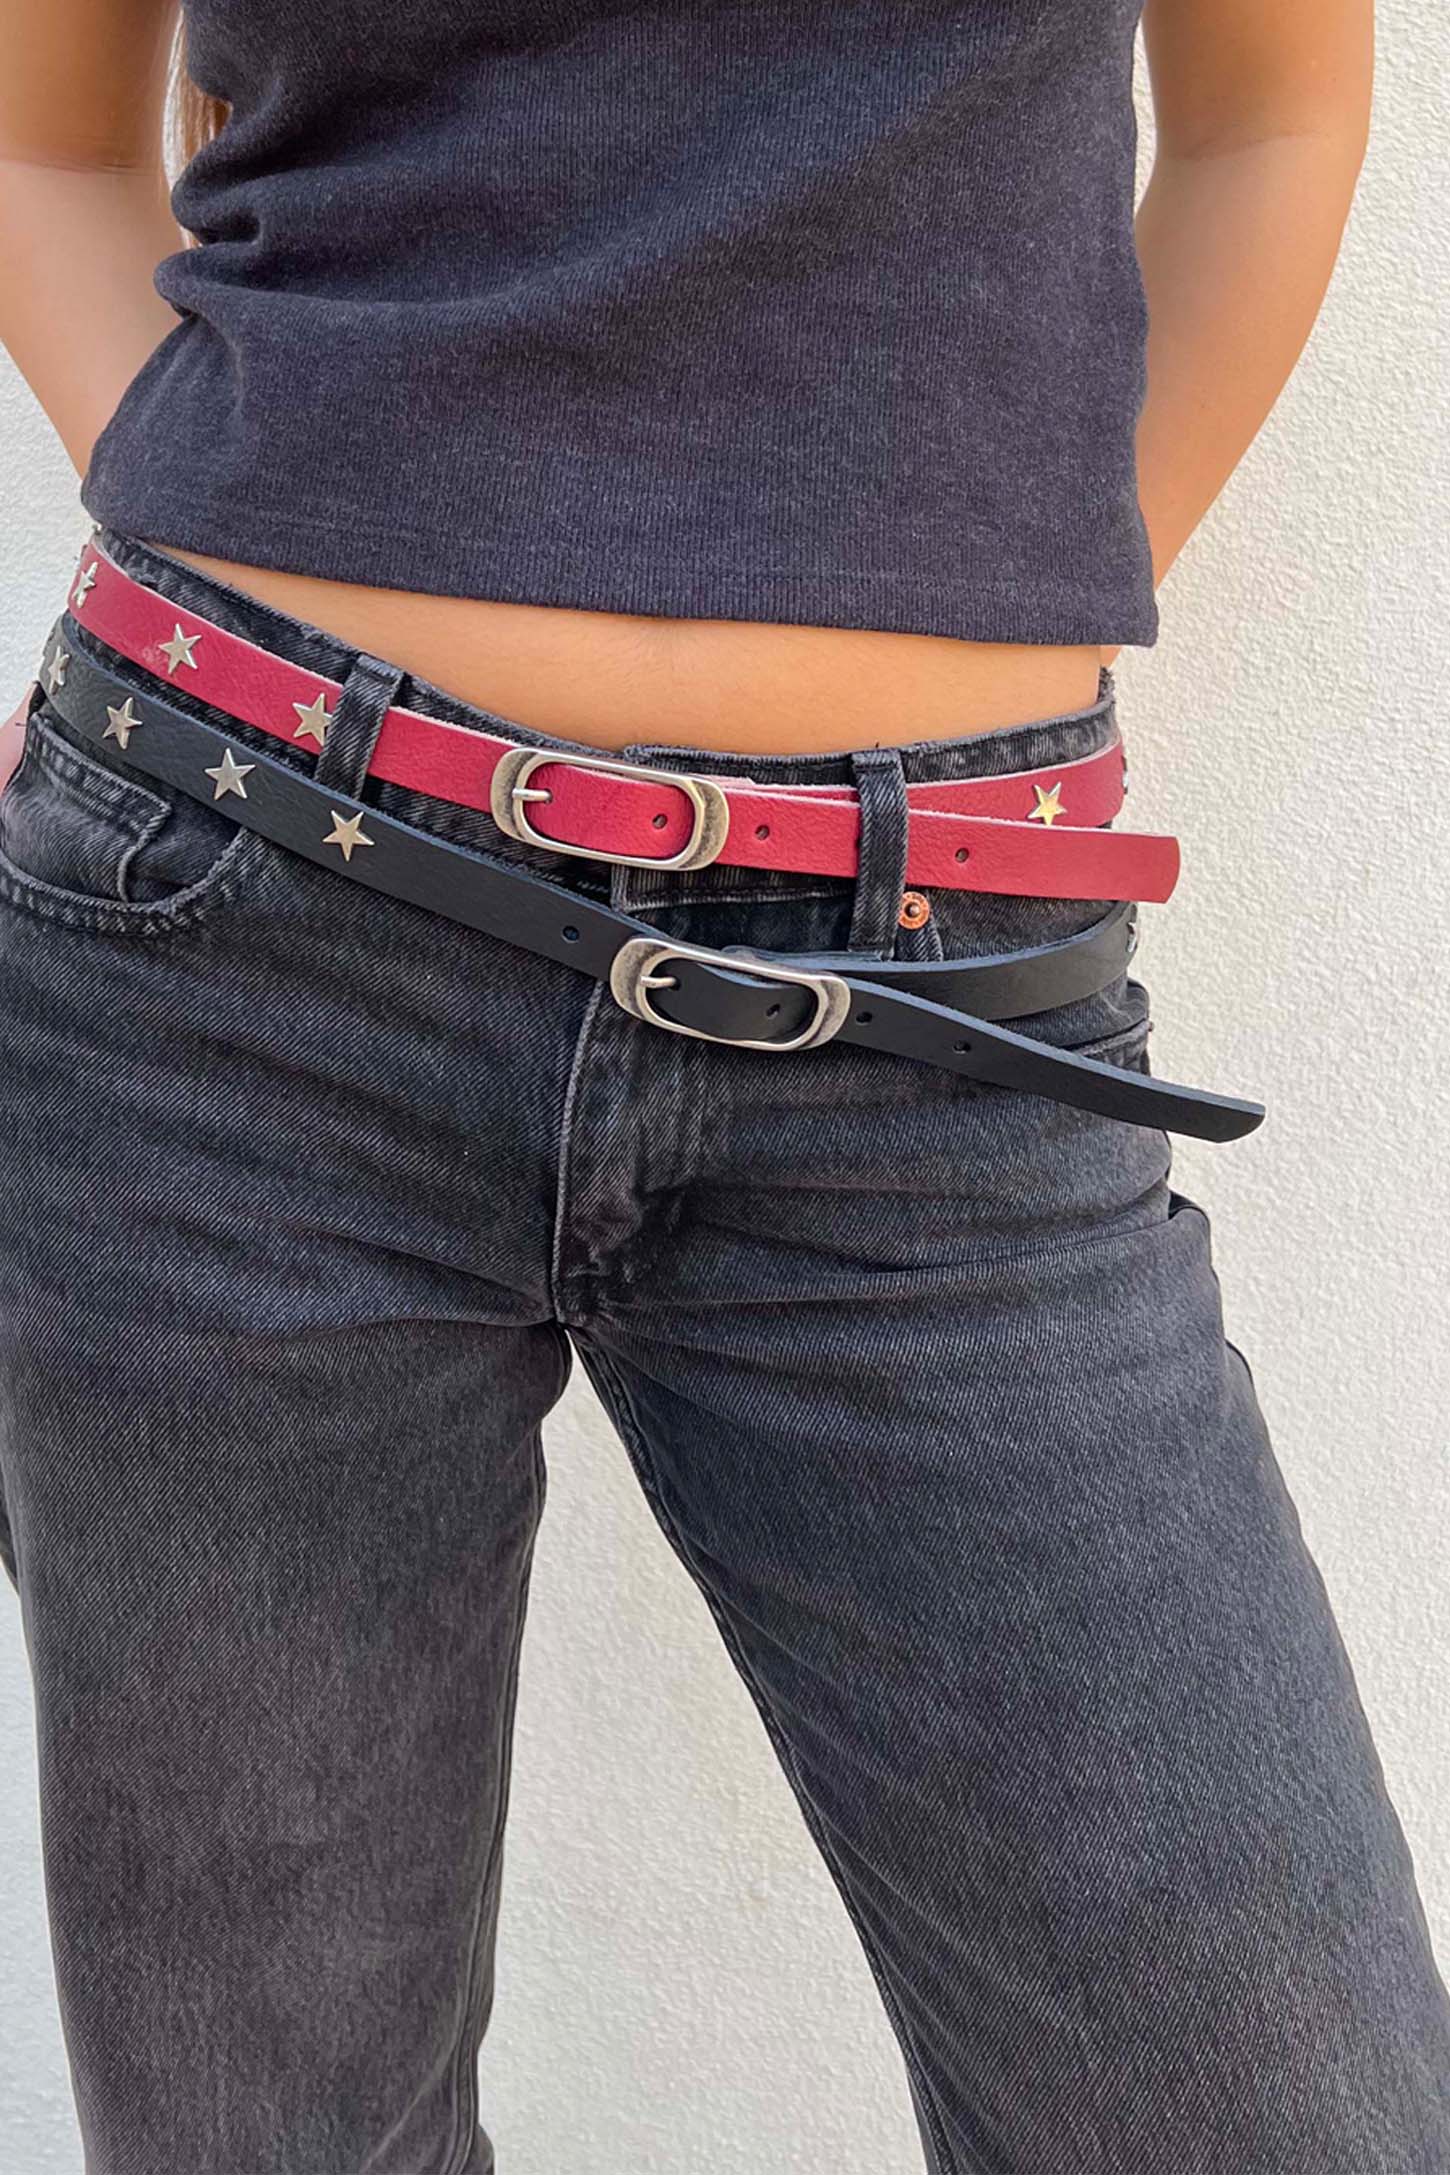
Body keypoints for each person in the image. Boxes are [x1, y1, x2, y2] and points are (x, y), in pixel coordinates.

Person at [0, 1, 1445, 2171]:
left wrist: (978, 636)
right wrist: (211, 593)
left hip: (932, 1004)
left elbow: (1274, 119)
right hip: (237, 950)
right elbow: (43, 146)